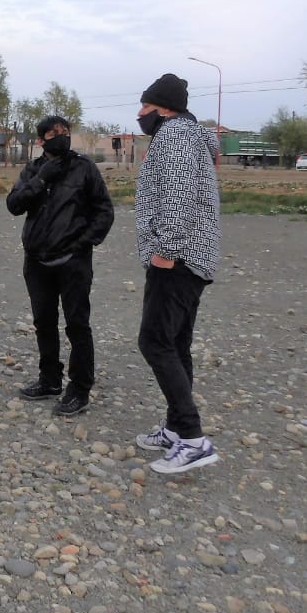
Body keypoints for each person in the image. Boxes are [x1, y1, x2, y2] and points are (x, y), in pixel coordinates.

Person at [133, 73, 222, 474]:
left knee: (154, 341)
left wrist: (165, 251)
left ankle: (192, 438)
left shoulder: (176, 137)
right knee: (175, 342)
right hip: (190, 256)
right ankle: (175, 427)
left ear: (164, 108)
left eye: (145, 106)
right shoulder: (186, 136)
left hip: (178, 257)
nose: (140, 114)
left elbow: (177, 193)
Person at [6, 115, 115, 416]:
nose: (60, 135)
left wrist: (85, 242)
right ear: (40, 140)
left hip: (73, 262)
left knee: (77, 325)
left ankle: (79, 389)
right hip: (37, 261)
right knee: (43, 322)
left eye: (64, 131)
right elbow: (14, 204)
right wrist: (41, 180)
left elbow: (104, 210)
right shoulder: (33, 170)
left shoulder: (84, 168)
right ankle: (50, 379)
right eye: (53, 132)